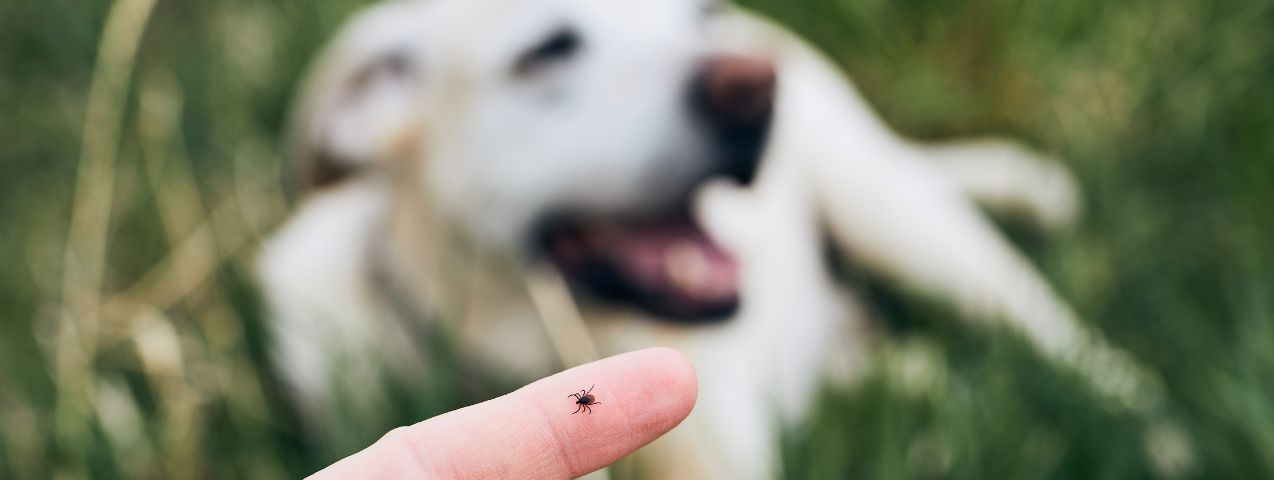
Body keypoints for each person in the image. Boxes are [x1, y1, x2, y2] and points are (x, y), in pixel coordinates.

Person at [310, 348, 698, 479]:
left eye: (582, 400)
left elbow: (584, 399)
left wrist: (584, 403)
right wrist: (586, 402)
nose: (582, 401)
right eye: (582, 400)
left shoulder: (581, 401)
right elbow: (586, 399)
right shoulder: (584, 401)